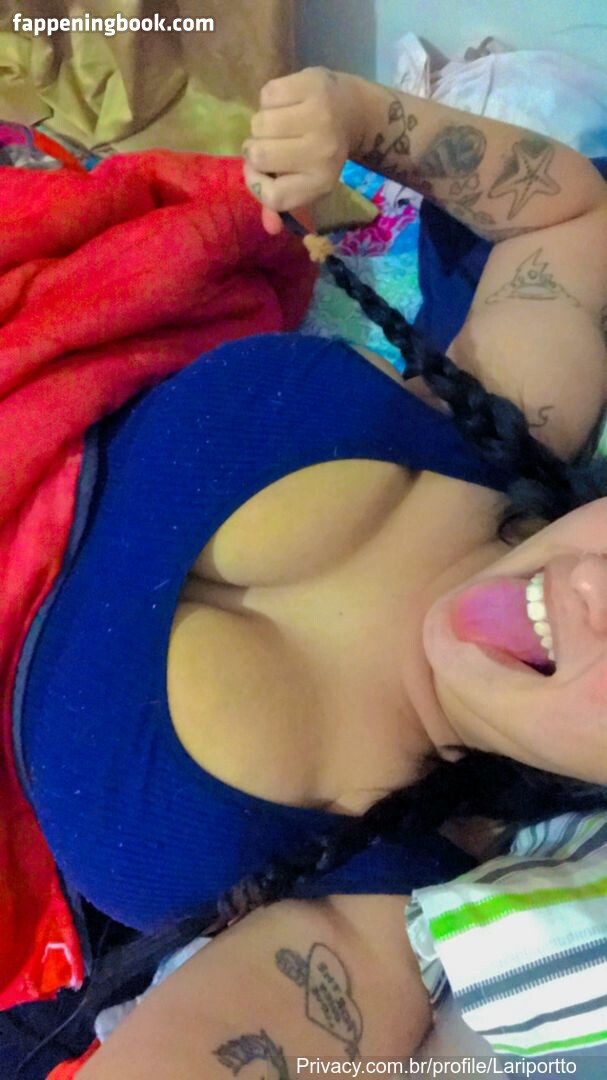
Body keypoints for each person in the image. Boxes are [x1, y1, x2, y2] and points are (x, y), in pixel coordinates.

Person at [11, 69, 607, 1077]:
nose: (596, 588)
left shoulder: (376, 900)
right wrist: (363, 119)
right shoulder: (509, 429)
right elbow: (571, 217)